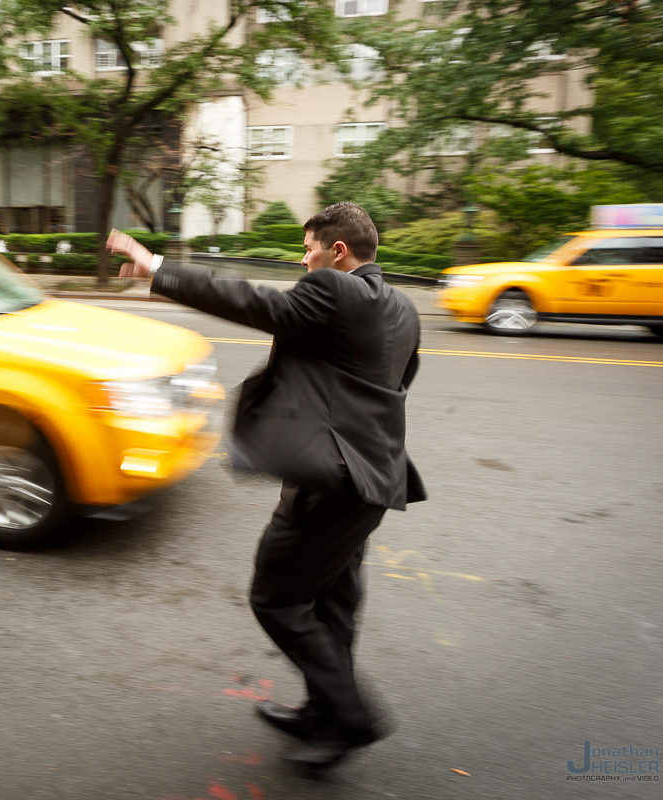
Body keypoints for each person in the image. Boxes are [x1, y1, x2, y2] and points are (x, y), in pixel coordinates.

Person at [109, 202, 426, 769]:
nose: (304, 261)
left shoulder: (333, 289)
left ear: (339, 253)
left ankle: (350, 716)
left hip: (333, 483)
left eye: (308, 250)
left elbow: (255, 302)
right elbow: (396, 382)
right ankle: (322, 711)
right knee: (333, 600)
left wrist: (157, 268)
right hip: (374, 479)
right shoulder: (402, 307)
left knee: (276, 597)